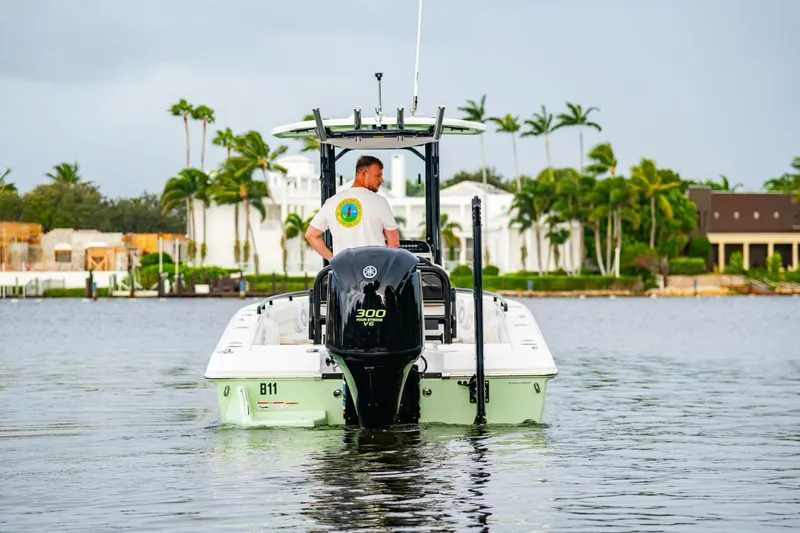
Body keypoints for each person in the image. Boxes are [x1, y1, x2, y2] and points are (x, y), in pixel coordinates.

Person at [305, 155, 400, 260]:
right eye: (378, 175)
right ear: (364, 174)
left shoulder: (332, 202)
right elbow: (394, 243)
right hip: (374, 268)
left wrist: (333, 260)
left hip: (344, 268)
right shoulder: (380, 202)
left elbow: (311, 235)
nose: (381, 180)